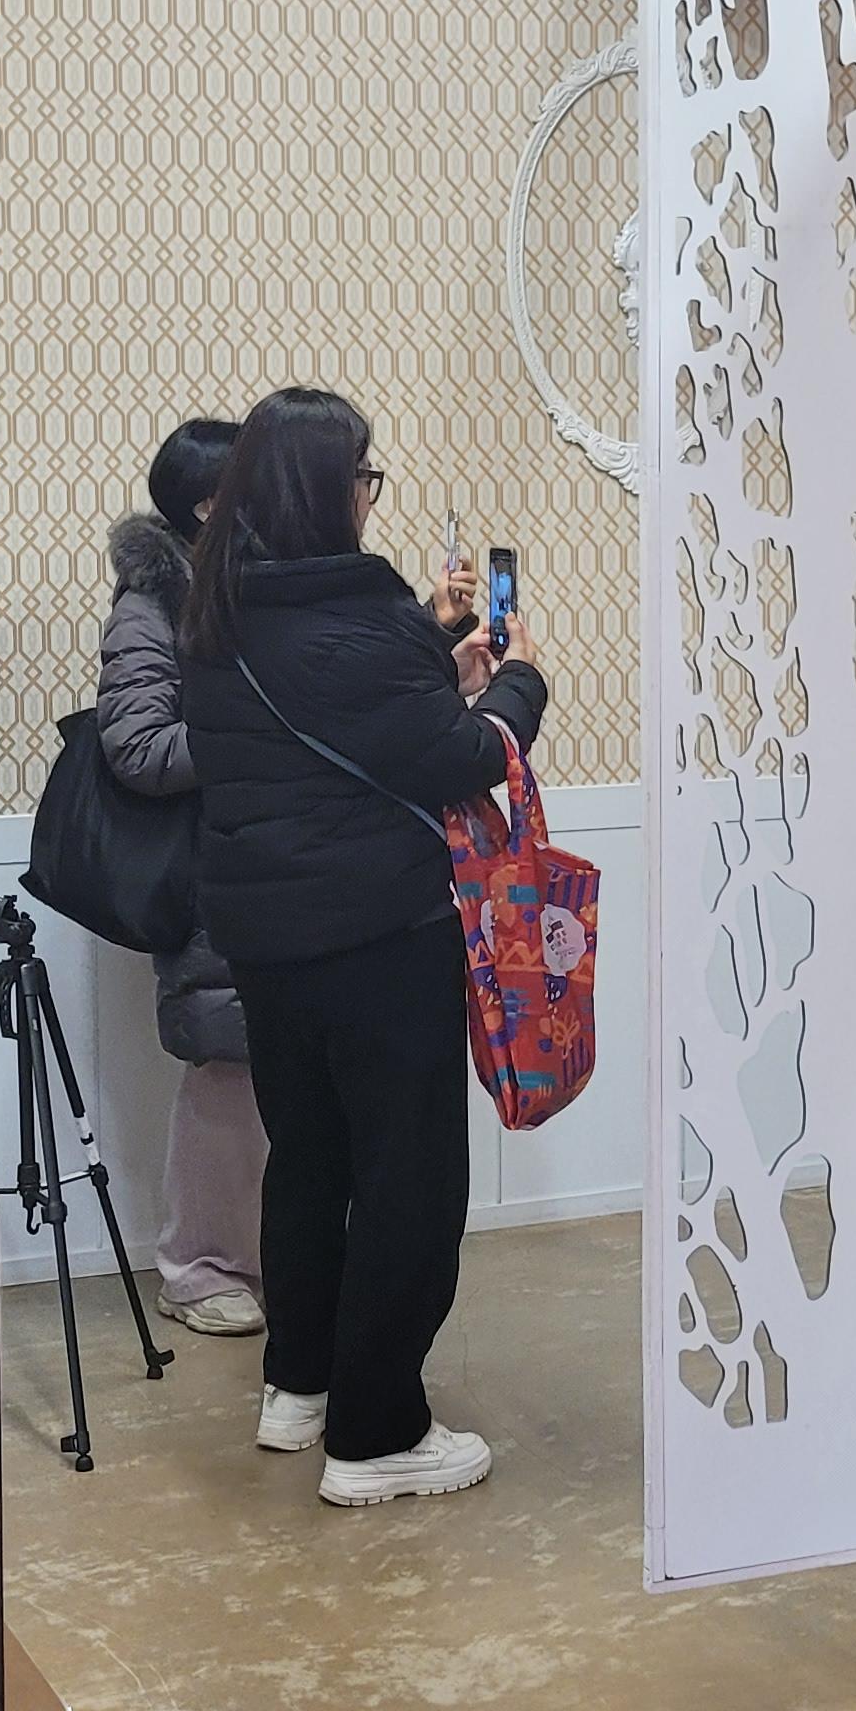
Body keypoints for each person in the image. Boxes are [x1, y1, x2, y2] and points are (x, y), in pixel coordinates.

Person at [181, 387, 541, 1505]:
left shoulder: (219, 612)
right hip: (379, 936)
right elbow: (458, 757)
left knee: (309, 1156)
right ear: (330, 492)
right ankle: (378, 1433)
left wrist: (436, 668)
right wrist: (518, 684)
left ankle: (300, 1384)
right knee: (408, 1177)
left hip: (264, 939)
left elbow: (350, 718)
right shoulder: (361, 612)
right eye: (365, 477)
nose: (371, 497)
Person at [98, 419, 269, 1337]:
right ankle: (198, 1269)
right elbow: (137, 745)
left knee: (285, 1076)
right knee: (227, 1075)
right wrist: (258, 736)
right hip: (213, 877)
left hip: (283, 866)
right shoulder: (152, 604)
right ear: (209, 503)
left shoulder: (263, 588)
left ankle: (273, 1259)